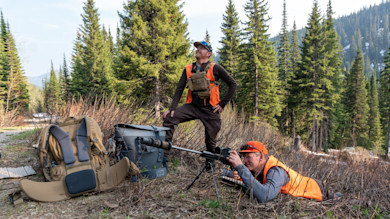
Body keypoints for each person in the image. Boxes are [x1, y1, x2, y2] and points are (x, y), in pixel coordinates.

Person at [163, 41, 237, 165]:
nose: (198, 49)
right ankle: (163, 156)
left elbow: (233, 84)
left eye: (202, 48)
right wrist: (172, 109)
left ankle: (210, 163)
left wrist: (222, 104)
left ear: (208, 53)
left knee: (210, 140)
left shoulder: (215, 68)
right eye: (197, 47)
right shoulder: (188, 69)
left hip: (210, 109)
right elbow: (179, 89)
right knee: (169, 118)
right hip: (192, 106)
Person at [225, 141, 340, 203]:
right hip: (309, 185)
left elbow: (264, 196)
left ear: (261, 158)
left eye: (248, 157)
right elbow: (224, 174)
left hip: (316, 189)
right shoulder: (255, 169)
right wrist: (233, 174)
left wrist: (240, 167)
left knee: (342, 202)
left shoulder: (276, 171)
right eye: (243, 157)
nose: (244, 160)